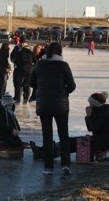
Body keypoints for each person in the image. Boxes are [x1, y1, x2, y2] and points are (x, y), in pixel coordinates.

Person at [30, 42, 76, 175]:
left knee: (47, 135)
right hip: (61, 105)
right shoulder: (63, 66)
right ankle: (65, 165)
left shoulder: (39, 65)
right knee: (63, 134)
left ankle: (48, 167)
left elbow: (31, 83)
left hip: (44, 104)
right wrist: (64, 92)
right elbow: (72, 86)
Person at [30, 91, 109, 162]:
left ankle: (43, 153)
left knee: (72, 143)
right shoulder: (101, 112)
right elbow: (92, 128)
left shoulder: (104, 114)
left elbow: (93, 128)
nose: (89, 105)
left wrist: (88, 116)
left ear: (96, 104)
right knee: (70, 141)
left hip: (102, 143)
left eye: (90, 103)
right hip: (98, 140)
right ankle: (42, 151)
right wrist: (89, 116)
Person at [10, 37, 37, 103]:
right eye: (21, 42)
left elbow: (14, 59)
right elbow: (35, 60)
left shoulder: (22, 50)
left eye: (23, 42)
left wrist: (15, 61)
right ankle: (21, 97)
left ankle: (21, 98)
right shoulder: (18, 48)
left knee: (20, 84)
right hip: (26, 69)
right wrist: (32, 67)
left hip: (20, 69)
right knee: (23, 84)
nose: (22, 44)